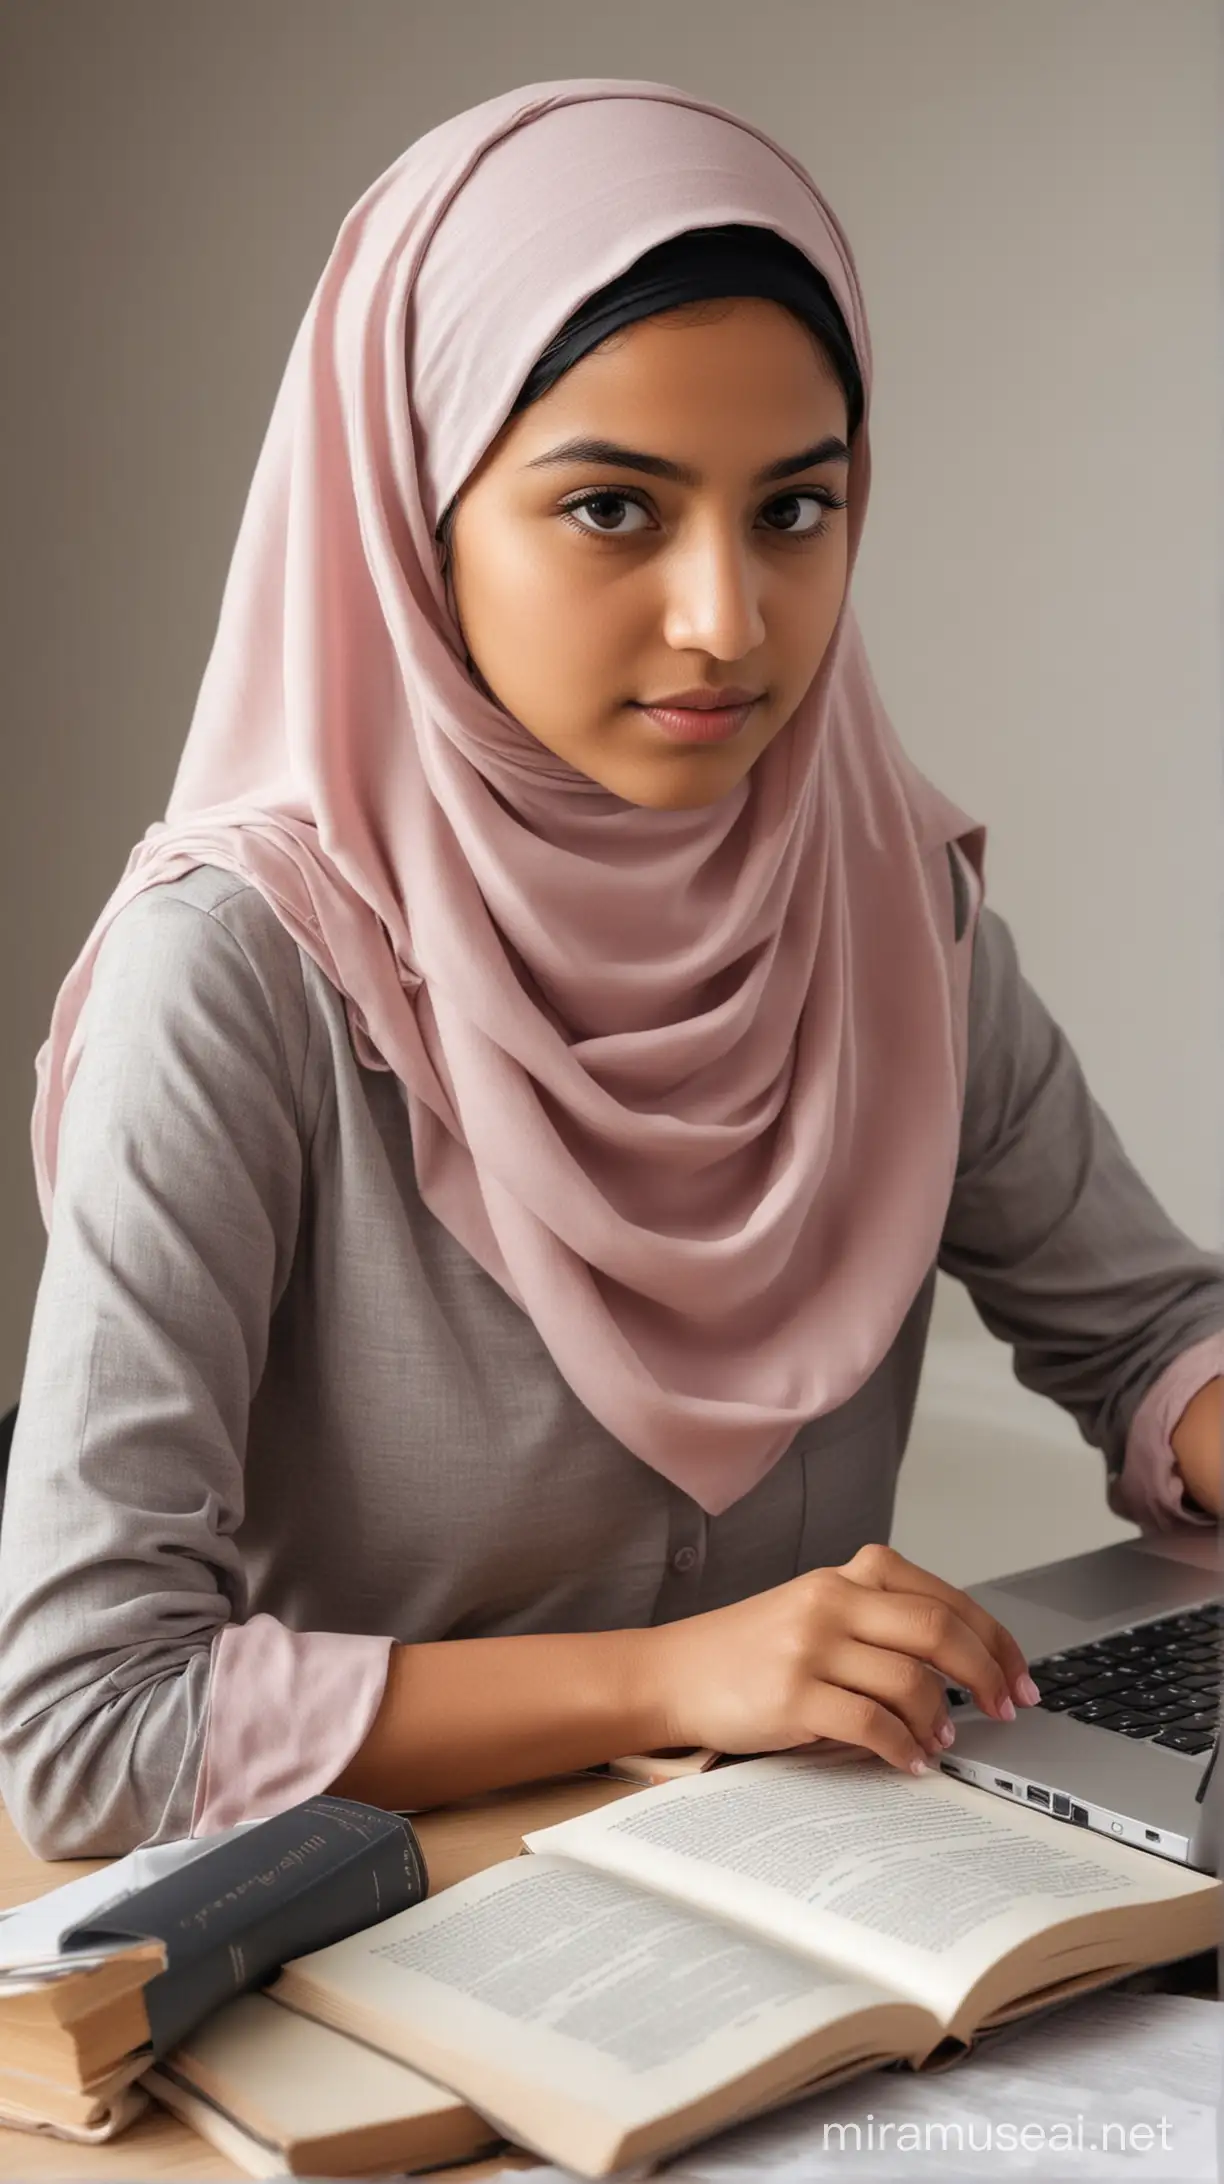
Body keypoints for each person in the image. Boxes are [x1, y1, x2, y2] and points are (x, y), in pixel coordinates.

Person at [0, 78, 1220, 1862]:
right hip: (378, 1953)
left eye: (796, 511)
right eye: (611, 512)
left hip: (831, 1909)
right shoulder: (242, 971)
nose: (727, 618)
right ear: (416, 513)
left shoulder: (883, 905)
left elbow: (1151, 1334)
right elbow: (86, 1727)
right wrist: (670, 1678)